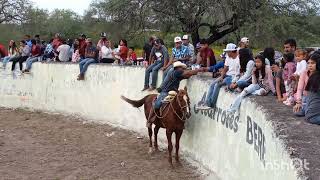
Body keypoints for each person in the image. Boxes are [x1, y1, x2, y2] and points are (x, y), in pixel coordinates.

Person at [147, 61, 204, 127]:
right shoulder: (176, 72)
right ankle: (149, 120)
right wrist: (199, 70)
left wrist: (193, 73)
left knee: (183, 102)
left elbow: (187, 75)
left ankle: (181, 120)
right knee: (157, 104)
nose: (183, 69)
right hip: (166, 91)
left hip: (174, 91)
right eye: (182, 68)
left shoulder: (176, 72)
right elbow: (188, 73)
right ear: (178, 68)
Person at [196, 43, 240, 110]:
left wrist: (233, 81)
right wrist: (222, 76)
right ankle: (207, 103)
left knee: (217, 84)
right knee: (212, 84)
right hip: (227, 75)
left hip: (233, 77)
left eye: (228, 52)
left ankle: (211, 105)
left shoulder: (238, 59)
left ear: (231, 51)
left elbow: (239, 72)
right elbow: (225, 68)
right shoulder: (228, 57)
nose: (227, 53)